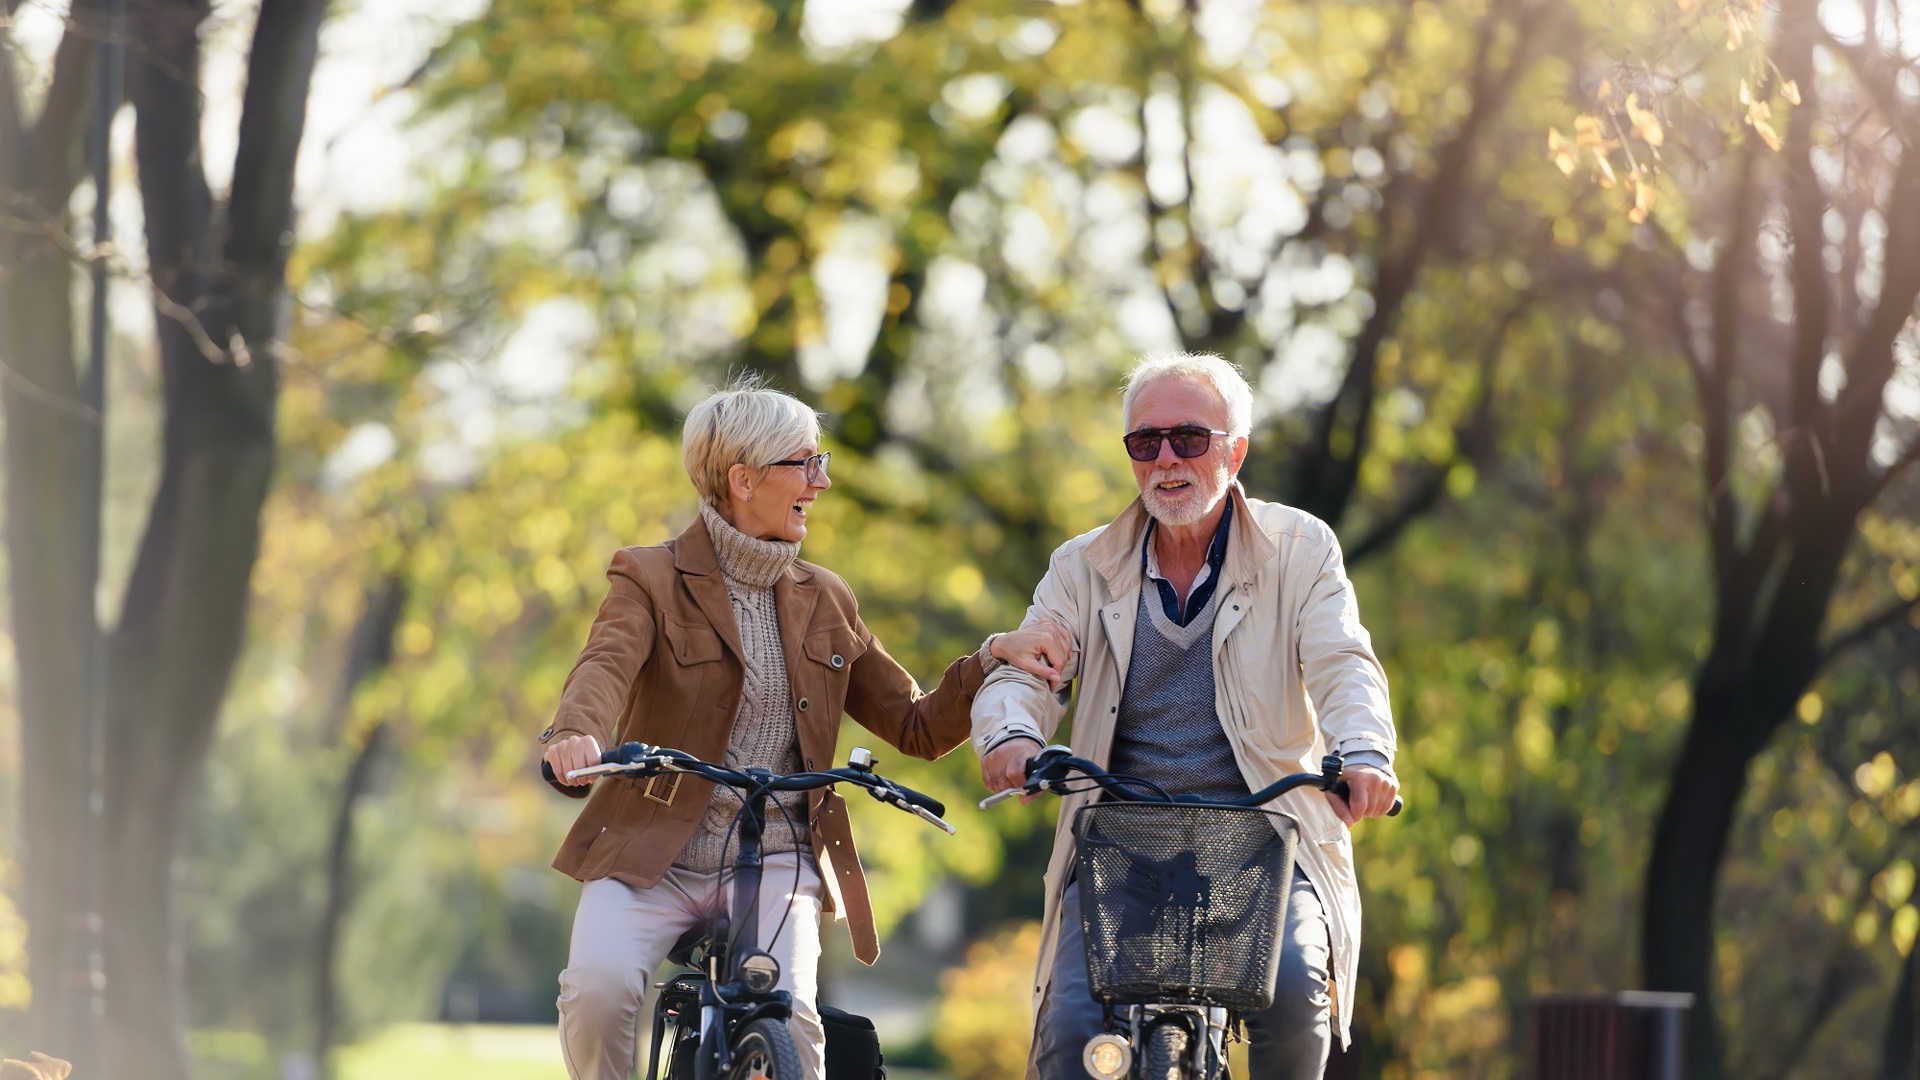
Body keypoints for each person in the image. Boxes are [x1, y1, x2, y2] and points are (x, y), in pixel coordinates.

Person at [540, 377, 1072, 1080]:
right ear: (743, 478)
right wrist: (574, 734)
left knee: (792, 1018)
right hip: (651, 858)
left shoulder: (826, 597)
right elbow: (603, 668)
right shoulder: (649, 577)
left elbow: (914, 724)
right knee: (599, 992)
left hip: (779, 856)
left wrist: (987, 658)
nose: (820, 483)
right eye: (806, 464)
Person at [971, 353, 1400, 1079]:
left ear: (1235, 451)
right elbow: (1028, 668)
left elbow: (1341, 662)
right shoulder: (1082, 565)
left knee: (1296, 995)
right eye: (1146, 443)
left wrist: (1363, 752)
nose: (1166, 459)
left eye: (1190, 440)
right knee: (1072, 1028)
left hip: (1268, 840)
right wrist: (1012, 732)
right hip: (1120, 847)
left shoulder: (1301, 549)